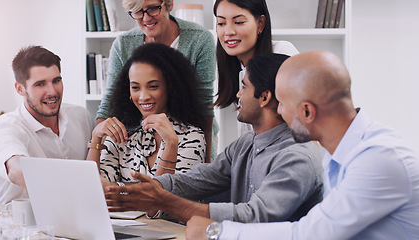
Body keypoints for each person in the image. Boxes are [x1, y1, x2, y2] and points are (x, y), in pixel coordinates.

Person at [185, 50, 419, 240]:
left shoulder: (378, 159)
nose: (278, 111)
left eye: (283, 103)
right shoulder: (337, 153)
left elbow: (308, 234)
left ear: (307, 111)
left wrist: (215, 231)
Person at [105, 53, 324, 224]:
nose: (237, 95)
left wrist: (162, 199)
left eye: (244, 87)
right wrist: (147, 187)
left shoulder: (296, 157)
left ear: (265, 97)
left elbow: (254, 216)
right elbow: (198, 179)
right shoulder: (246, 143)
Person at [96, 0, 216, 162]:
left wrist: (207, 163)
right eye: (138, 11)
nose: (146, 18)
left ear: (169, 4)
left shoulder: (199, 39)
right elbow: (108, 103)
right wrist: (97, 145)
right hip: (137, 141)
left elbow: (204, 106)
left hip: (189, 138)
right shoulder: (123, 44)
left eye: (153, 8)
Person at [0, 46, 94, 204]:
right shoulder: (6, 127)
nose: (51, 91)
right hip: (22, 225)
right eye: (40, 84)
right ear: (20, 89)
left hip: (77, 223)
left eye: (56, 81)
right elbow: (18, 170)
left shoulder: (81, 116)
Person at [87, 43, 206, 183]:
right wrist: (96, 139)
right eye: (135, 87)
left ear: (171, 87)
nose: (143, 97)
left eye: (153, 86)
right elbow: (93, 189)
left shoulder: (192, 137)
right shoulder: (120, 135)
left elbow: (166, 198)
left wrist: (171, 143)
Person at [213, 0, 299, 136]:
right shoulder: (233, 66)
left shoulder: (282, 54)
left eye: (239, 22)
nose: (228, 32)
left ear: (260, 24)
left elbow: (303, 123)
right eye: (221, 23)